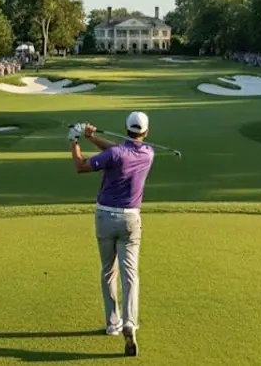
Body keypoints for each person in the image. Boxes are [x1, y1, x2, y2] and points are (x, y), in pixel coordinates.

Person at [68, 112, 155, 358]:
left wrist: (75, 140)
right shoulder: (148, 153)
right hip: (131, 219)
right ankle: (130, 322)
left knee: (108, 271)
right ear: (145, 133)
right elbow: (118, 151)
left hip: (105, 217)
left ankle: (113, 324)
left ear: (125, 128)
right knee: (130, 275)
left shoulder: (116, 154)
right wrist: (93, 138)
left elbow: (81, 166)